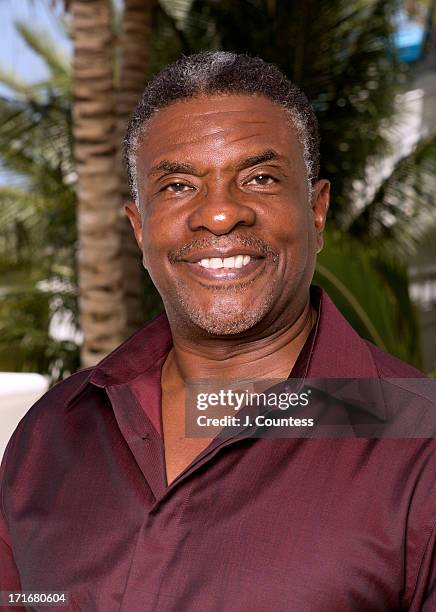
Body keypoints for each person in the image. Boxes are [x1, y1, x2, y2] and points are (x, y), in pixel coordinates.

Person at [0, 52, 434, 611]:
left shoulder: (419, 444)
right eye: (179, 186)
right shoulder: (51, 437)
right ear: (139, 228)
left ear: (317, 210)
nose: (222, 214)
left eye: (259, 178)